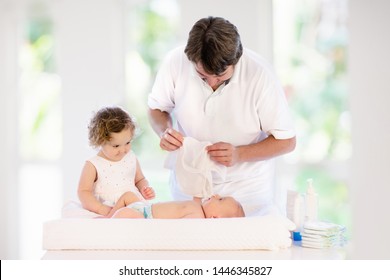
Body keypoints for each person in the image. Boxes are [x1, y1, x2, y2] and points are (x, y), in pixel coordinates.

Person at [148, 16, 296, 216]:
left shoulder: (260, 76)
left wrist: (239, 154)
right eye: (202, 76)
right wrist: (164, 131)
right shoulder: (175, 63)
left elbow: (287, 141)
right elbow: (156, 109)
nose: (211, 83)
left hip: (245, 193)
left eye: (220, 77)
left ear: (236, 59)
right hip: (189, 189)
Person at [78, 106, 155, 216]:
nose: (123, 150)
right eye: (116, 146)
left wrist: (145, 188)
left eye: (128, 143)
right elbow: (83, 192)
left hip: (133, 205)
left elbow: (140, 180)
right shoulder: (93, 164)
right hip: (109, 210)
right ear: (99, 141)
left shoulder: (131, 157)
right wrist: (100, 208)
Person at [105, 191, 245, 219]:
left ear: (214, 218)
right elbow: (196, 191)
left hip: (144, 218)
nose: (216, 195)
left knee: (126, 214)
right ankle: (109, 216)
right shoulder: (198, 206)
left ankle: (110, 223)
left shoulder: (197, 218)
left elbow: (180, 229)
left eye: (220, 200)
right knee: (128, 195)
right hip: (145, 207)